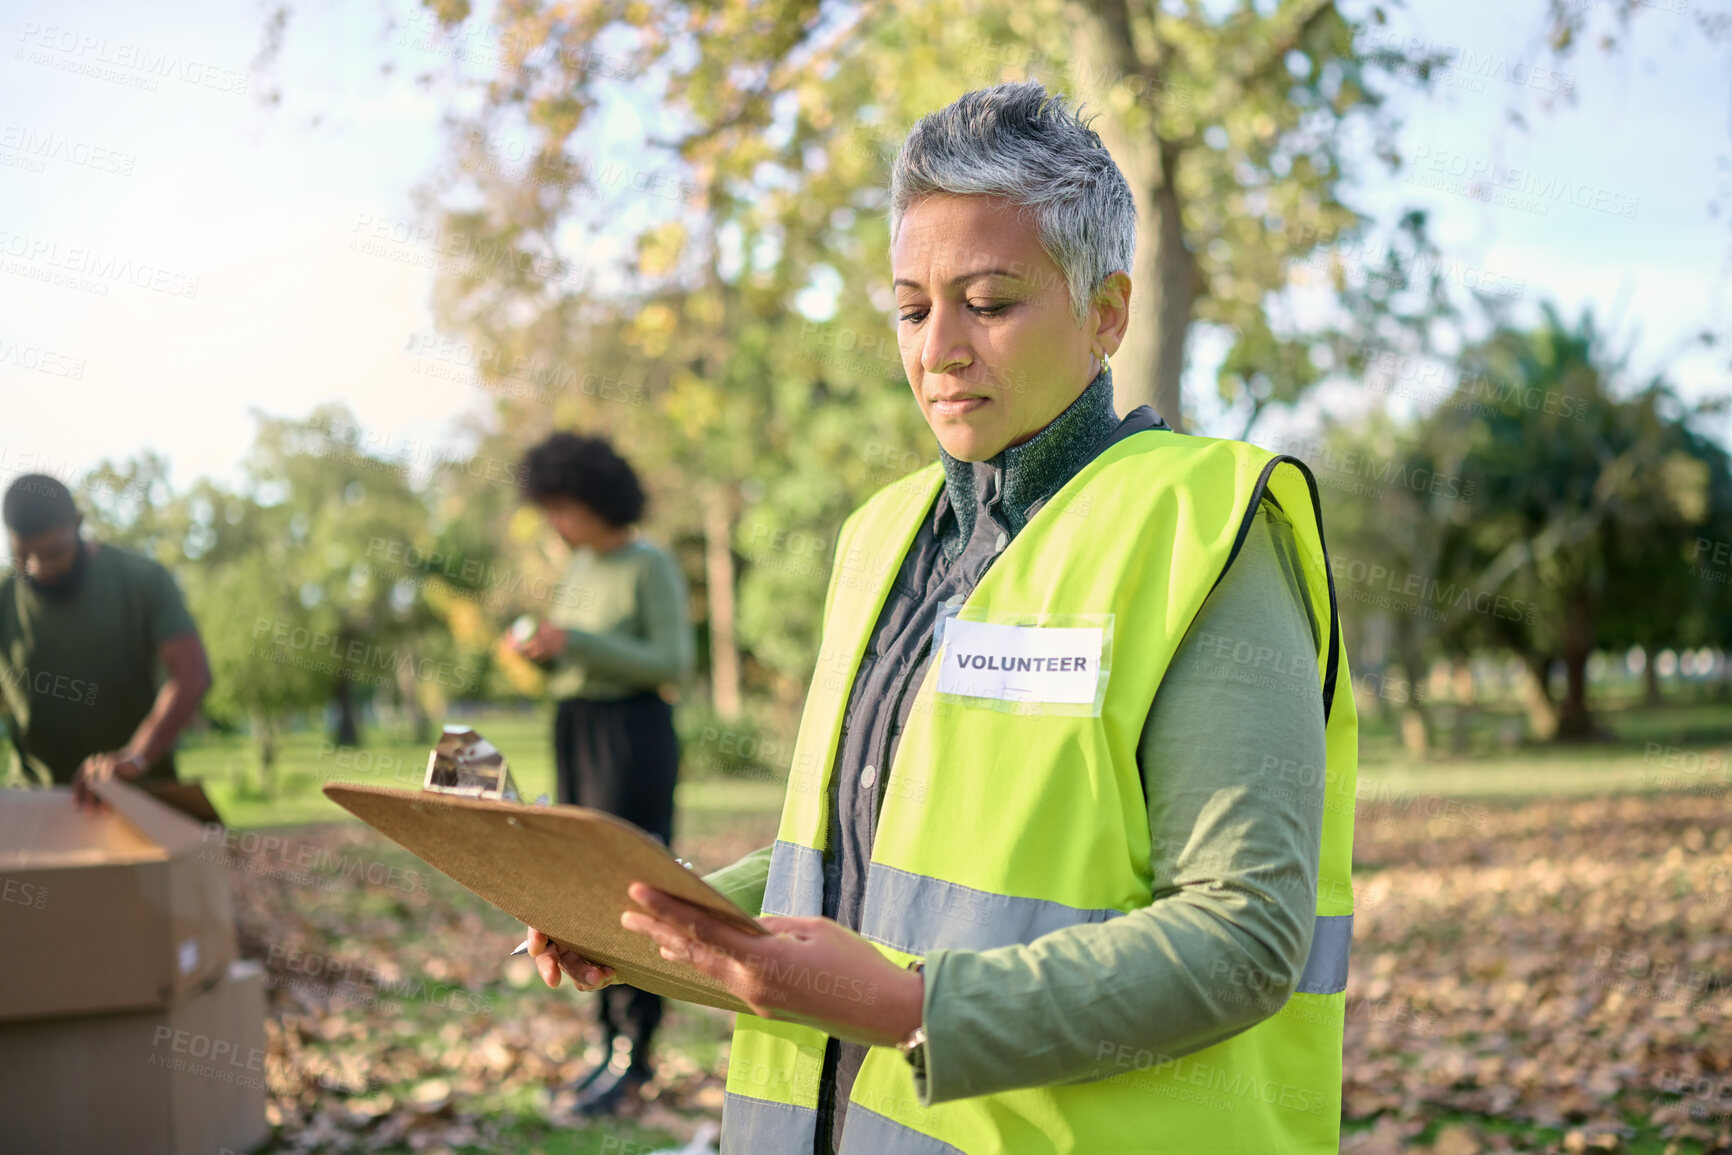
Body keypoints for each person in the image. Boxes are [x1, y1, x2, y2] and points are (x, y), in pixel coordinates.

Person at [526, 80, 1357, 1154]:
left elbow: (1243, 939)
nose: (940, 351)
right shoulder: (879, 536)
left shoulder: (1204, 529)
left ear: (1106, 310)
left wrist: (912, 1011)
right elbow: (859, 866)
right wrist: (642, 922)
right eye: (913, 309)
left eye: (991, 303)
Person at [506, 431, 696, 1117]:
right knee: (578, 884)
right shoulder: (579, 566)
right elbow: (579, 657)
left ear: (596, 499)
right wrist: (543, 654)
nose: (557, 522)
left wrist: (577, 642)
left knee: (632, 886)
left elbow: (672, 663)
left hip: (632, 735)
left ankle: (637, 1051)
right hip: (577, 728)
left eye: (563, 506)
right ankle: (604, 1040)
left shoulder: (651, 565)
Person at [0, 474, 212, 808]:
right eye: (23, 556)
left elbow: (191, 674)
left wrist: (135, 757)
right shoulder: (5, 599)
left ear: (79, 523)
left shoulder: (143, 581)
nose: (39, 568)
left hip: (142, 798)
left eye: (54, 553)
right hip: (38, 803)